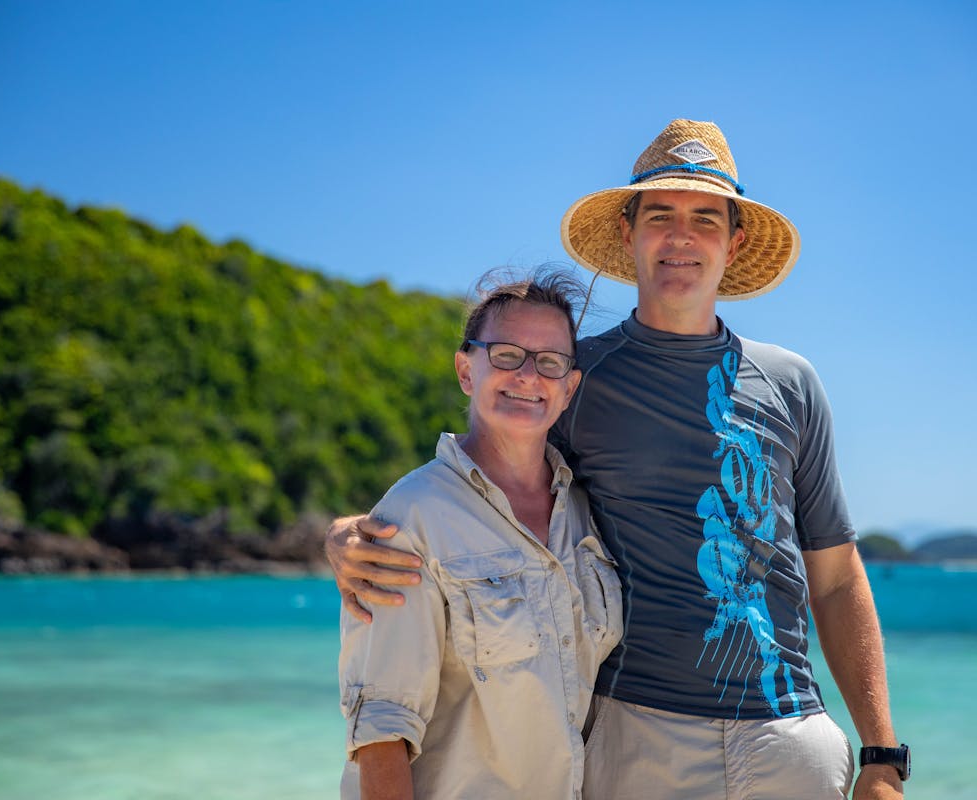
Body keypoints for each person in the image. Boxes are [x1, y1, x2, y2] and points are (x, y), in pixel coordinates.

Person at [330, 120, 907, 800]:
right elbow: (481, 493)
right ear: (630, 234)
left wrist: (882, 753)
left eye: (705, 219)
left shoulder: (792, 382)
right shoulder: (577, 377)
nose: (681, 237)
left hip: (792, 737)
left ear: (735, 241)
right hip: (637, 735)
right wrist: (346, 533)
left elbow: (835, 579)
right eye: (660, 215)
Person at [337, 269, 623, 799]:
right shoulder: (411, 515)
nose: (528, 376)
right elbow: (382, 730)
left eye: (550, 362)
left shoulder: (586, 513)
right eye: (506, 354)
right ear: (467, 371)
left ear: (569, 389)